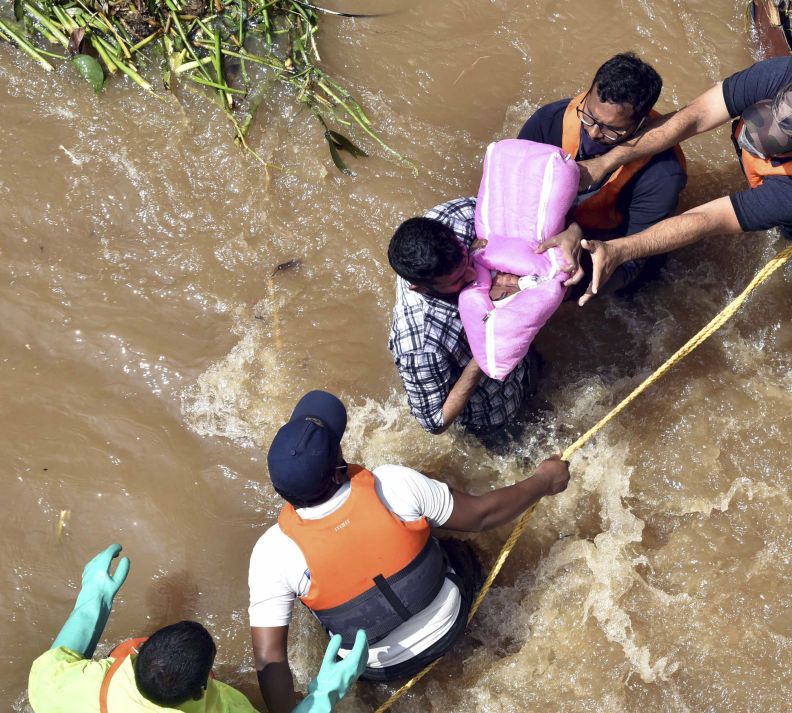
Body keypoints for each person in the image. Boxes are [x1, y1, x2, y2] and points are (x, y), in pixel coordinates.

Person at [249, 390, 570, 705]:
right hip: (452, 622)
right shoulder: (393, 483)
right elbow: (482, 516)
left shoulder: (272, 554)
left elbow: (269, 658)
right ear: (337, 471)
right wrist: (544, 481)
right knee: (457, 540)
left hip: (381, 670)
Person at [560, 56, 792, 305]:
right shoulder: (783, 73)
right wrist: (607, 161)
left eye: (768, 153)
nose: (753, 151)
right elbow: (695, 116)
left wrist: (620, 250)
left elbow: (708, 220)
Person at [28, 544, 365, 713]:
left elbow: (62, 656)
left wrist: (96, 596)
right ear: (199, 690)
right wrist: (323, 697)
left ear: (140, 653)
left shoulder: (50, 684)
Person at [518, 51, 688, 290]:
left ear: (641, 124)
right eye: (589, 117)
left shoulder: (662, 175)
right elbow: (515, 190)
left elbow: (632, 258)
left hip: (613, 243)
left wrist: (566, 283)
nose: (594, 133)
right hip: (562, 227)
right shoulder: (549, 122)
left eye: (612, 130)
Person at [387, 198, 542, 437]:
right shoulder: (420, 345)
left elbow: (519, 216)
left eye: (468, 260)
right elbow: (435, 422)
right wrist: (486, 350)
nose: (472, 275)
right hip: (493, 410)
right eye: (456, 281)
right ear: (420, 288)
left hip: (524, 357)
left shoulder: (459, 218)